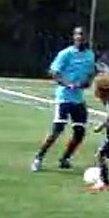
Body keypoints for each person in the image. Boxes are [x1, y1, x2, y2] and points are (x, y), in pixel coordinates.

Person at [31, 27, 97, 171]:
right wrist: (69, 84)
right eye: (78, 34)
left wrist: (87, 82)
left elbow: (91, 72)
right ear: (74, 37)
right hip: (64, 98)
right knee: (57, 129)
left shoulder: (90, 55)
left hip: (78, 99)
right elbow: (54, 72)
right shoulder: (66, 53)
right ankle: (38, 158)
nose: (81, 37)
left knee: (80, 133)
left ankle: (65, 159)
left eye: (83, 35)